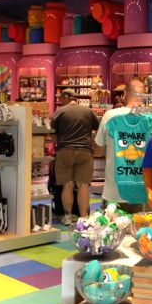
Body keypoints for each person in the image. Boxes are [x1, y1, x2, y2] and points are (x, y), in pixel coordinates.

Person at [94, 79, 145, 213]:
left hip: (113, 190)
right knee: (139, 225)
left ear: (125, 94)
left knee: (110, 225)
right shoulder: (149, 118)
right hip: (138, 189)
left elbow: (98, 149)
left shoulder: (110, 115)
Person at [52, 88, 100, 224]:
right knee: (83, 185)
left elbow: (53, 132)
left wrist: (58, 143)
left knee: (67, 185)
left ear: (64, 98)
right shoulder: (88, 111)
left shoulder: (59, 112)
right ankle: (84, 218)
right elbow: (99, 128)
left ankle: (68, 216)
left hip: (65, 151)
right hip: (85, 151)